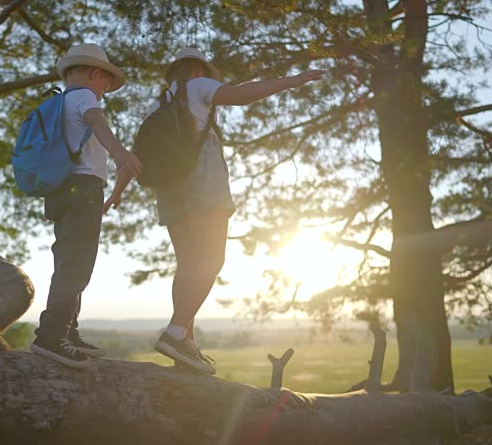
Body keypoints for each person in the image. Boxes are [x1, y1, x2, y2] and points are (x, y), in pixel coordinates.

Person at [103, 47, 324, 373]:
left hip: (167, 188)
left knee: (189, 265)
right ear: (198, 69)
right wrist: (291, 81)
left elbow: (137, 156)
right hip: (200, 180)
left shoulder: (157, 106)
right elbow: (240, 94)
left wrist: (117, 193)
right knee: (210, 261)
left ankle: (185, 345)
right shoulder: (197, 85)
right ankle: (176, 333)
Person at [31, 43, 142, 369]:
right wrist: (121, 153)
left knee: (68, 261)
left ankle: (68, 331)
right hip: (83, 189)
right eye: (105, 84)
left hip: (61, 190)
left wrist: (115, 192)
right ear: (95, 74)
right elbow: (98, 123)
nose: (104, 92)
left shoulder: (59, 101)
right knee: (78, 265)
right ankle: (52, 336)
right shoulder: (84, 96)